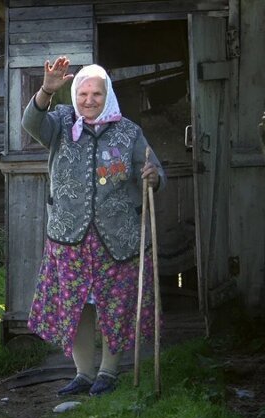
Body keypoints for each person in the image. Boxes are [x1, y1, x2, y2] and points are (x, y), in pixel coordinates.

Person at [22, 58, 166, 396]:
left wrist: (153, 177)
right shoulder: (59, 123)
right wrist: (46, 90)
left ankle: (108, 372)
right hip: (69, 237)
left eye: (96, 94)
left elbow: (154, 168)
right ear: (74, 94)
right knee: (76, 306)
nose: (89, 100)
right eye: (83, 93)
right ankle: (83, 373)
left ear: (108, 95)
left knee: (114, 306)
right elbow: (31, 123)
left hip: (118, 239)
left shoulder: (128, 132)